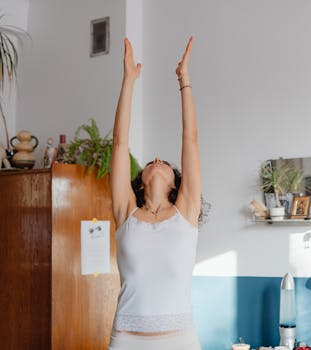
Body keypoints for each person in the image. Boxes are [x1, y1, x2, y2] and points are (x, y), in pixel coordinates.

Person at [107, 37, 202, 350]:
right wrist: (128, 81)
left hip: (180, 340)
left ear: (176, 183)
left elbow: (190, 139)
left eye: (164, 163)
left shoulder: (186, 212)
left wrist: (184, 78)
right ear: (140, 180)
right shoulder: (126, 213)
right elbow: (119, 142)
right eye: (151, 162)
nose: (158, 160)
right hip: (126, 340)